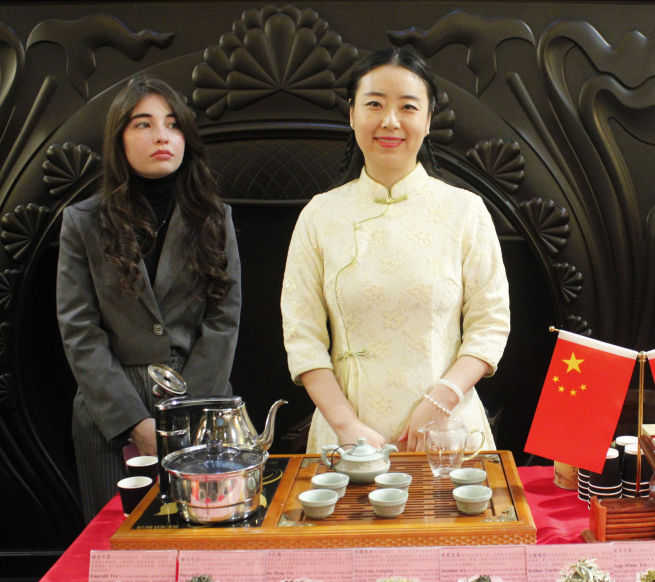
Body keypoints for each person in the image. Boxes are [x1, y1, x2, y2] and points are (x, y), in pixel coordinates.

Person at [281, 48, 510, 454]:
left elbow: (490, 325)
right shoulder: (319, 215)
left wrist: (441, 401)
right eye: (374, 104)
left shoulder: (465, 211)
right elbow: (302, 336)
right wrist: (345, 423)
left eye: (407, 106)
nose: (390, 121)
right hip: (346, 441)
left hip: (448, 432)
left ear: (427, 119)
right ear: (352, 114)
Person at [56, 77, 241, 522]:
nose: (162, 135)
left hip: (202, 397)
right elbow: (79, 330)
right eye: (144, 124)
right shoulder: (82, 221)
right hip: (112, 408)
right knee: (117, 544)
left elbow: (224, 319)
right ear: (119, 139)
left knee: (204, 541)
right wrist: (131, 421)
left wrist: (189, 412)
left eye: (173, 125)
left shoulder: (215, 218)